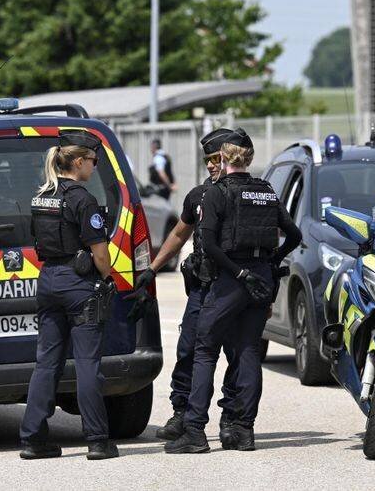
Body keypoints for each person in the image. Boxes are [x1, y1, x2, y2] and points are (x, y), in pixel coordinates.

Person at [164, 130, 302, 454]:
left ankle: (194, 431)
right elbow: (294, 235)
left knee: (205, 351)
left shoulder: (217, 193)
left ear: (224, 159)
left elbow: (210, 245)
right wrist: (270, 262)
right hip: (261, 281)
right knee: (249, 351)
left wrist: (238, 272)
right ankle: (243, 430)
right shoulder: (266, 191)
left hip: (229, 279)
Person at [127, 128, 242, 442]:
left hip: (235, 289)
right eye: (208, 160)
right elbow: (179, 234)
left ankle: (232, 420)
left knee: (238, 355)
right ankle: (183, 413)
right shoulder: (199, 195)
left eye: (216, 159)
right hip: (203, 287)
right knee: (188, 350)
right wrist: (152, 269)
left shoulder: (245, 193)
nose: (212, 165)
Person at [19, 130, 119, 460]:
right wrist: (106, 278)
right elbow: (100, 254)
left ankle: (32, 439)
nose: (94, 165)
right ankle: (97, 440)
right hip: (78, 284)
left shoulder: (41, 196)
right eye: (92, 160)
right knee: (88, 364)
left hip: (48, 280)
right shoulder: (83, 200)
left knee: (47, 363)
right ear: (78, 162)